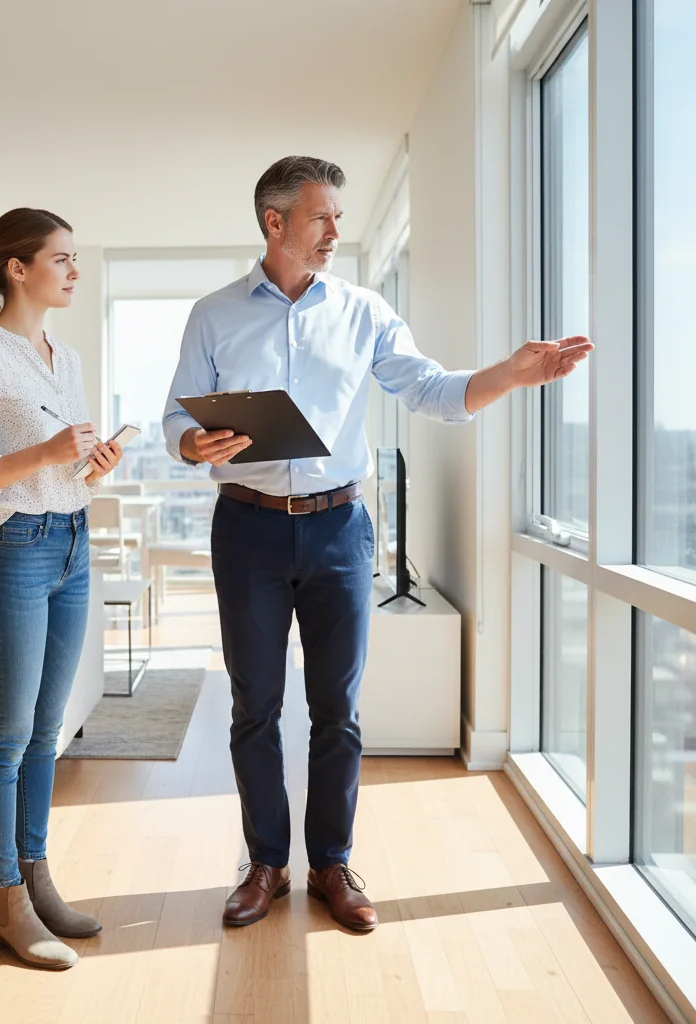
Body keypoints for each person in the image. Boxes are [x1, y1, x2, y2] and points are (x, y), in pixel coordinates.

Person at [162, 156, 591, 932]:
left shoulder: (364, 311)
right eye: (321, 216)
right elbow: (175, 419)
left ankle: (331, 862)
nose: (335, 230)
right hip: (247, 528)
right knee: (255, 706)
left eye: (339, 216)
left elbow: (433, 390)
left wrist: (510, 374)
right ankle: (265, 864)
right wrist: (194, 443)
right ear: (274, 223)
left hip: (338, 528)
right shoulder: (213, 315)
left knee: (339, 709)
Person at [0, 208, 122, 969]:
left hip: (73, 542)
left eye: (76, 258)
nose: (74, 270)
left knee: (48, 732)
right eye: (62, 258)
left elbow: (62, 469)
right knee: (7, 736)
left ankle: (37, 881)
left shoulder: (64, 357)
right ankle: (5, 900)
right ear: (18, 268)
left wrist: (90, 467)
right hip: (12, 550)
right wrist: (45, 453)